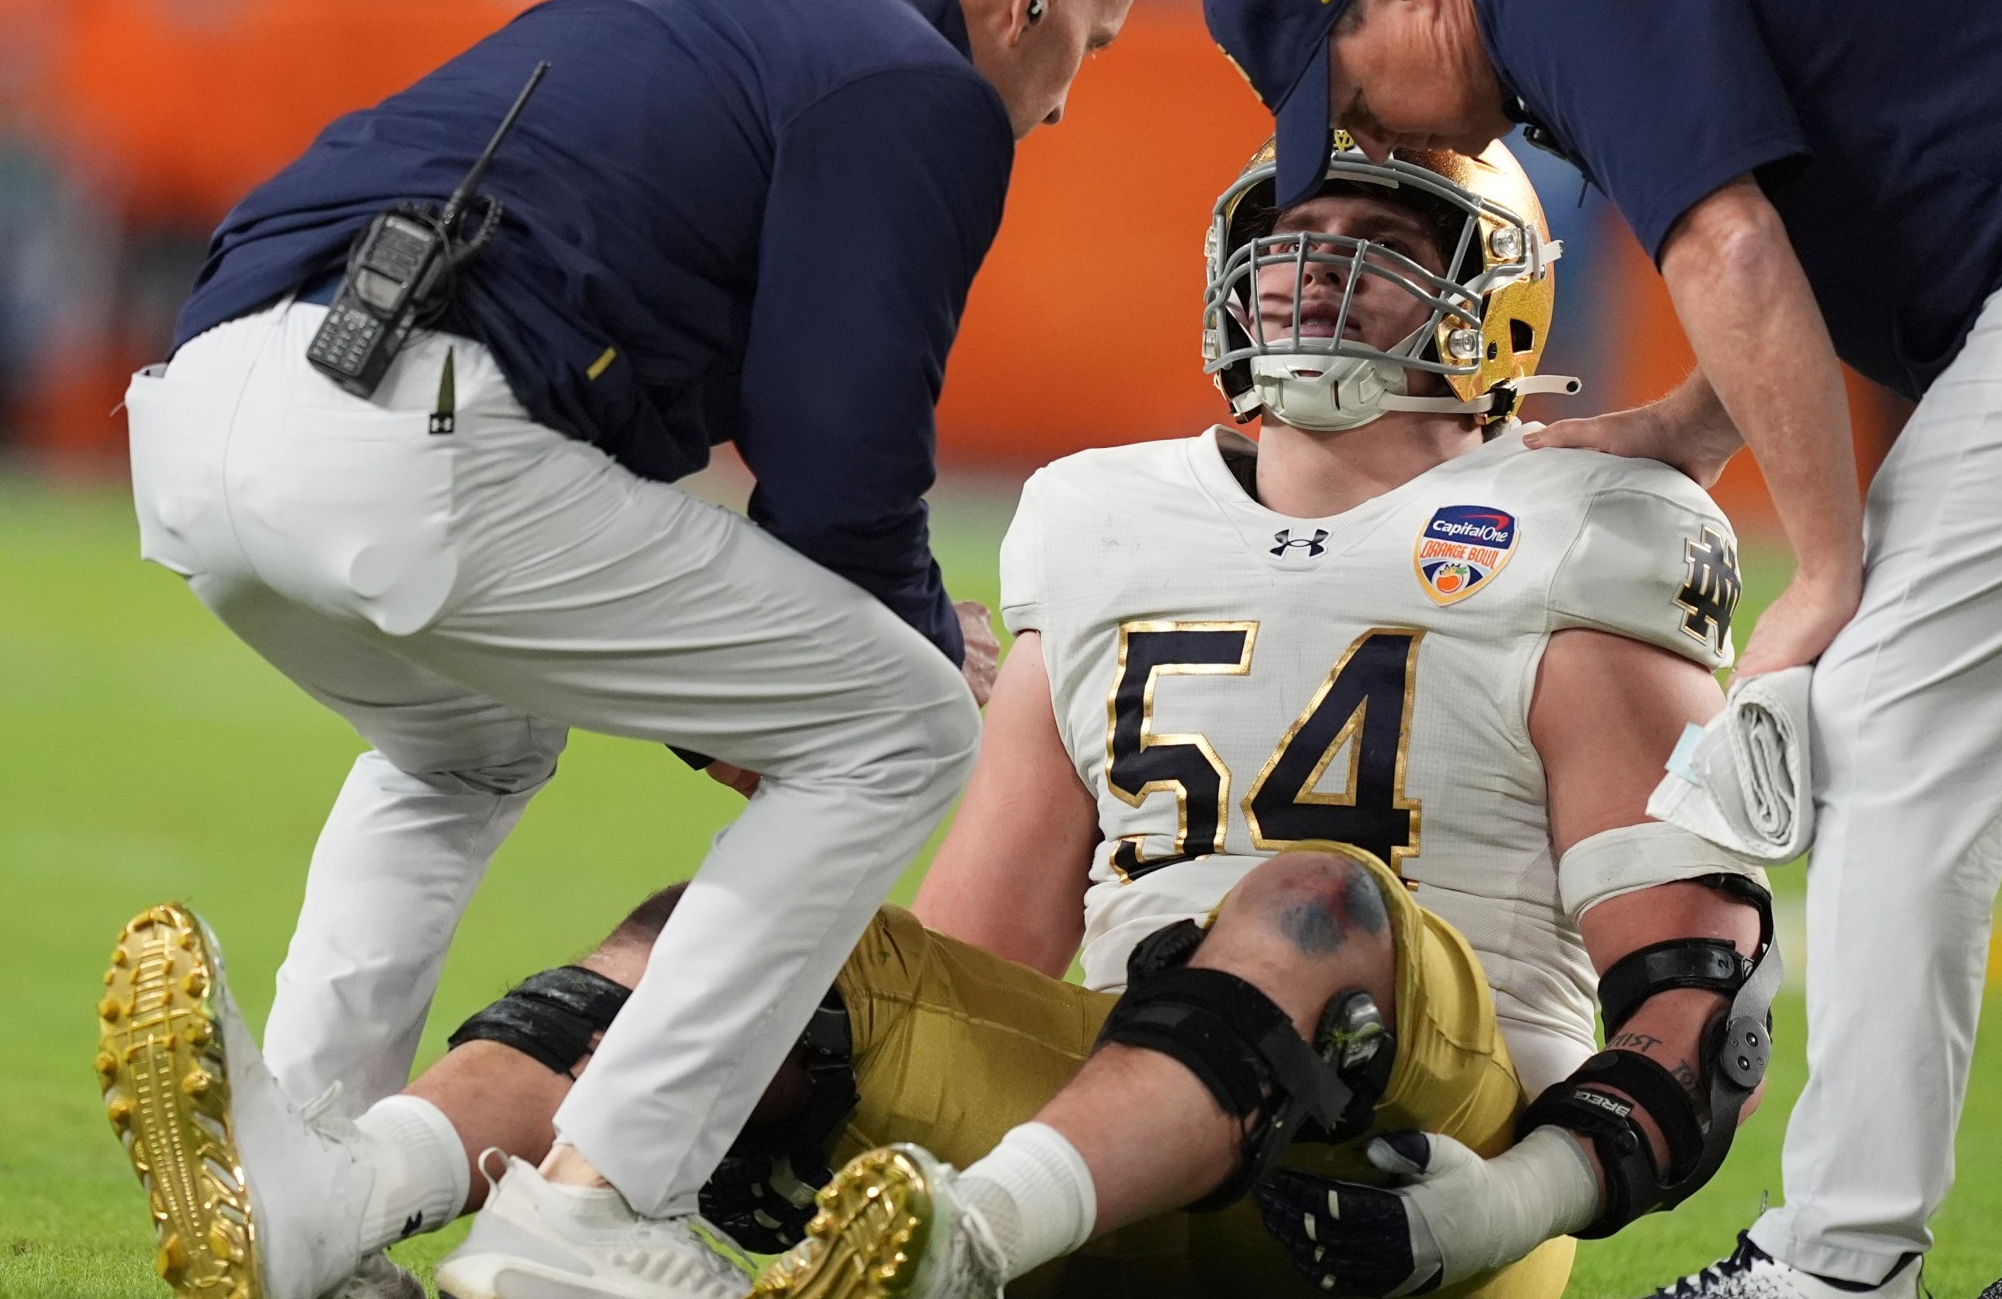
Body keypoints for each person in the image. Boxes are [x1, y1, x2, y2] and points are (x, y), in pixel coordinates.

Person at [158, 137, 1783, 1299]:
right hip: (1123, 1138)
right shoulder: (1097, 520)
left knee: (1306, 894)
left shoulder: (1582, 528)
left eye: (1384, 242)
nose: (1314, 265)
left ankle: (955, 1249)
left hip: (1426, 1170)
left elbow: (1698, 1011)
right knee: (749, 946)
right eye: (1292, 230)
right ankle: (351, 1199)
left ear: (1495, 298)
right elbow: (981, 956)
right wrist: (811, 1073)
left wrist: (1505, 1210)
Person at [1202, 0, 2002, 1297]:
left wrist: (1827, 569)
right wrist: (1691, 422)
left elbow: (1729, 238)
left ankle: (1837, 1263)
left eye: (1351, 96)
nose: (1373, 134)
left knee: (1878, 739)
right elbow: (1808, 198)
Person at [95, 0, 1142, 1299]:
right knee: (900, 722)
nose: (1073, 93)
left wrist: (764, 664)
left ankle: (313, 1189)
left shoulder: (674, 2)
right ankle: (592, 1213)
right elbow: (839, 454)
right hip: (415, 435)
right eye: (1093, 36)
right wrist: (896, 627)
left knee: (469, 746)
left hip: (202, 413)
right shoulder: (917, 81)